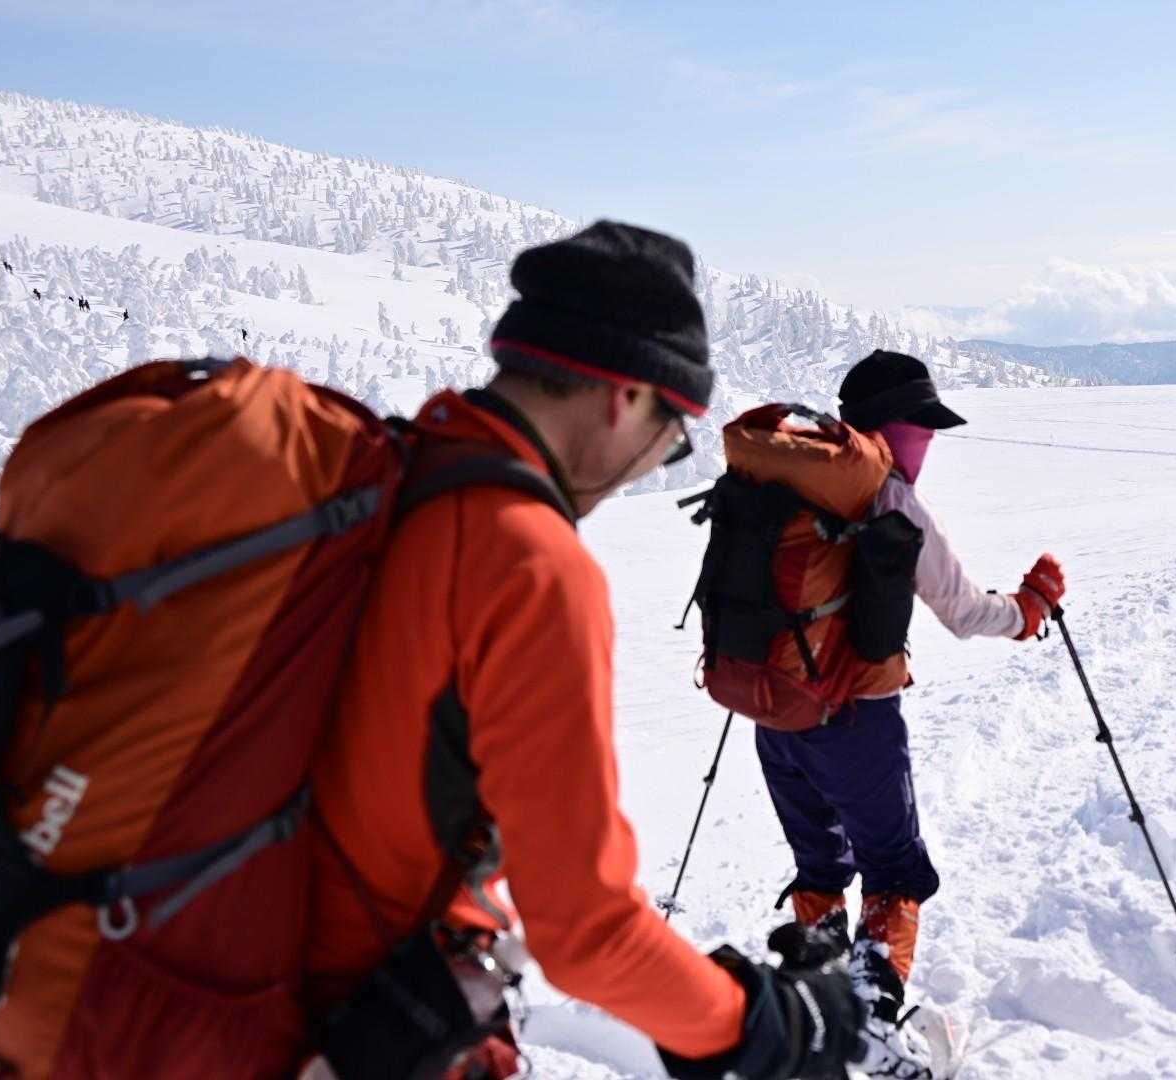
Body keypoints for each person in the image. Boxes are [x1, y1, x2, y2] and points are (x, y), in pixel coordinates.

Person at [304, 222, 864, 1080]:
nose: (654, 462)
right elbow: (585, 930)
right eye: (672, 434)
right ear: (624, 397)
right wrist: (770, 1024)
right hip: (339, 1021)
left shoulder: (383, 483)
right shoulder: (526, 563)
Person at [757, 350, 1067, 1034]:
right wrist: (1028, 611)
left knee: (819, 864)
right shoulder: (889, 497)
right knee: (894, 871)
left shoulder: (787, 481)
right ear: (895, 428)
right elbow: (963, 611)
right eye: (921, 428)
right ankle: (871, 1028)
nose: (925, 441)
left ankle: (812, 1002)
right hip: (854, 720)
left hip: (770, 711)